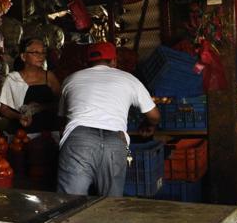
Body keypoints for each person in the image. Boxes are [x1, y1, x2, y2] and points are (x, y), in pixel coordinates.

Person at [57, 41, 160, 197]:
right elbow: (154, 115)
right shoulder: (129, 79)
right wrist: (150, 126)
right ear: (114, 61)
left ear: (88, 62)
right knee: (111, 205)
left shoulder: (71, 79)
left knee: (69, 203)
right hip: (115, 140)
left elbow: (62, 118)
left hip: (79, 138)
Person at [0, 38, 62, 133]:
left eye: (43, 52)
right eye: (35, 52)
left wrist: (41, 107)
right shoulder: (12, 79)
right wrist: (20, 116)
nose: (41, 56)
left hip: (48, 132)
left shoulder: (49, 76)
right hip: (21, 135)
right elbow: (3, 110)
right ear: (23, 56)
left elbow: (62, 103)